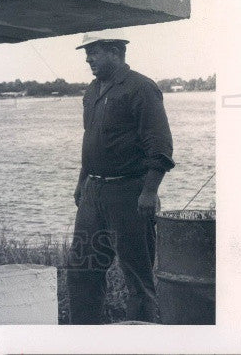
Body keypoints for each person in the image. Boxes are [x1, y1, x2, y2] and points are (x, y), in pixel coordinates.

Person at [66, 32, 174, 324]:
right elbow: (92, 142)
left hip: (130, 193)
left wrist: (149, 192)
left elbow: (160, 147)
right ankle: (83, 340)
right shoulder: (92, 90)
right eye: (87, 53)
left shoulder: (141, 88)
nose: (88, 59)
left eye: (94, 52)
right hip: (93, 192)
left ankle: (142, 341)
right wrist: (81, 182)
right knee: (82, 270)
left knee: (137, 277)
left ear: (115, 52)